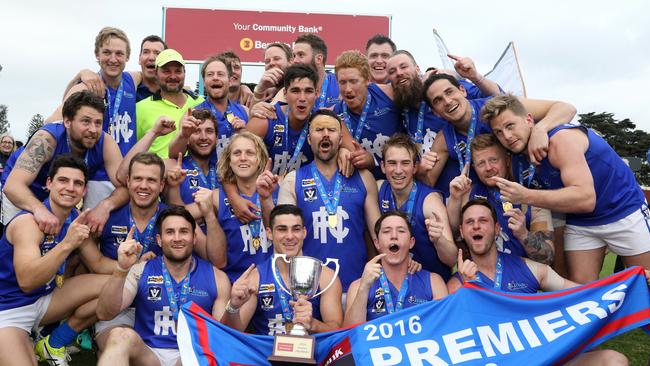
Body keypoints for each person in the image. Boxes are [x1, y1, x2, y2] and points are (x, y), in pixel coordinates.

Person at [482, 94, 650, 284]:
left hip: (623, 211)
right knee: (579, 293)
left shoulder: (561, 140)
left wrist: (526, 196)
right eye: (499, 132)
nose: (507, 136)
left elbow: (586, 199)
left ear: (529, 119)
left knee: (646, 283)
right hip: (581, 221)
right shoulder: (518, 156)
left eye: (510, 126)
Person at [449, 198, 633, 366]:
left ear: (497, 229)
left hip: (542, 357)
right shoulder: (456, 285)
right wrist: (470, 292)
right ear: (462, 232)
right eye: (469, 222)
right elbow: (452, 343)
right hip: (492, 362)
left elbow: (583, 294)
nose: (476, 226)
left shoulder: (528, 268)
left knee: (614, 361)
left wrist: (630, 282)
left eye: (483, 221)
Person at [0, 155, 108, 366]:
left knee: (117, 285)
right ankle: (23, 339)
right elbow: (27, 281)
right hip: (9, 309)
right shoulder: (27, 223)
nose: (70, 187)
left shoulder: (73, 218)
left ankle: (54, 342)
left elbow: (99, 264)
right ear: (49, 184)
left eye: (78, 183)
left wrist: (133, 263)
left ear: (84, 190)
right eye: (63, 180)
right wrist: (67, 243)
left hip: (44, 302)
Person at [96, 206, 231, 366]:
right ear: (159, 240)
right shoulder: (141, 270)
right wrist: (121, 269)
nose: (177, 238)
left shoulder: (217, 277)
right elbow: (104, 313)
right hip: (149, 356)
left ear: (194, 238)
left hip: (191, 356)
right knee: (119, 335)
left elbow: (221, 337)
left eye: (183, 231)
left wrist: (234, 307)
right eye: (169, 232)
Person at [268, 110, 381, 294]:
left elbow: (378, 234)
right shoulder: (293, 180)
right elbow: (282, 236)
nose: (326, 134)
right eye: (319, 129)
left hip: (357, 287)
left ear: (341, 137)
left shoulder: (364, 178)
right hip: (310, 289)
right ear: (309, 139)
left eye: (332, 130)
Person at [421, 73, 577, 197]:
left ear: (462, 90)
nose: (447, 101)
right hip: (487, 202)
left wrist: (540, 129)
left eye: (449, 92)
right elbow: (427, 183)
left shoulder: (495, 108)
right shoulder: (443, 139)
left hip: (534, 191)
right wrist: (421, 169)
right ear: (435, 112)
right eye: (438, 100)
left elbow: (566, 108)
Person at [3, 91, 125, 235]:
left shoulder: (105, 142)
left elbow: (125, 186)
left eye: (98, 123)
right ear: (67, 121)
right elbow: (12, 186)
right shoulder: (46, 139)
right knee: (24, 238)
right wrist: (39, 209)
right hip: (25, 192)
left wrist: (105, 206)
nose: (93, 130)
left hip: (61, 194)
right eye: (86, 121)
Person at [387, 51, 501, 197]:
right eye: (392, 71)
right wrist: (419, 170)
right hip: (448, 196)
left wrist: (475, 76)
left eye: (403, 67)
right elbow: (427, 179)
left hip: (485, 188)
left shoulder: (442, 87)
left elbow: (500, 100)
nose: (399, 73)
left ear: (417, 69)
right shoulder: (401, 107)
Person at [224, 204, 343, 335]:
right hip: (265, 354)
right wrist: (233, 307)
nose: (290, 236)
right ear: (269, 233)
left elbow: (337, 332)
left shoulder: (325, 276)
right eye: (282, 229)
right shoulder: (255, 278)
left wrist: (313, 324)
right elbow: (229, 334)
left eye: (296, 229)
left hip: (313, 352)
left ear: (304, 232)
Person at [180, 132, 275, 283]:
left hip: (273, 282)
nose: (243, 157)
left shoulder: (278, 189)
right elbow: (179, 215)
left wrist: (266, 199)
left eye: (250, 153)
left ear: (260, 159)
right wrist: (205, 243)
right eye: (237, 153)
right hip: (233, 283)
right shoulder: (217, 197)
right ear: (229, 161)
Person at [446, 133, 555, 264]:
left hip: (521, 278)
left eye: (493, 160)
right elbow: (451, 235)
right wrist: (454, 198)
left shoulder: (533, 198)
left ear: (507, 160)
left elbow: (548, 257)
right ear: (474, 168)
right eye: (481, 163)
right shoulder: (467, 194)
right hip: (481, 277)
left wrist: (523, 234)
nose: (488, 168)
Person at [344, 211, 448, 326]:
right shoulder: (358, 286)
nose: (394, 236)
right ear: (377, 243)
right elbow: (350, 335)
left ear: (411, 242)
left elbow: (445, 327)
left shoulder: (434, 282)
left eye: (401, 231)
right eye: (387, 231)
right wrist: (364, 288)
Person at [377, 134, 456, 279]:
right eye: (392, 163)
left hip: (429, 287)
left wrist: (440, 241)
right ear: (383, 166)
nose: (398, 170)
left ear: (415, 167)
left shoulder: (430, 202)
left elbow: (452, 259)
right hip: (393, 284)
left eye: (405, 163)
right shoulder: (378, 189)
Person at [334, 50, 403, 179]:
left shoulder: (388, 94)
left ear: (367, 80)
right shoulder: (334, 114)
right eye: (342, 82)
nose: (348, 89)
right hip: (360, 184)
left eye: (354, 81)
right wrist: (341, 150)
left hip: (395, 179)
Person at [170, 55, 248, 159]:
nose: (215, 77)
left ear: (229, 81)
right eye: (210, 74)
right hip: (204, 174)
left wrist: (246, 133)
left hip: (236, 174)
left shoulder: (245, 112)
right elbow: (174, 156)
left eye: (220, 74)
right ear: (204, 82)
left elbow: (255, 152)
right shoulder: (192, 114)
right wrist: (183, 135)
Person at [246, 64, 317, 176]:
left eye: (308, 91)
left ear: (316, 94)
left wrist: (343, 151)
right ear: (285, 94)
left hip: (302, 193)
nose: (302, 98)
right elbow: (233, 164)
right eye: (295, 91)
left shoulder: (322, 123)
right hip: (265, 191)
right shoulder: (265, 120)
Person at [136, 49, 204, 158]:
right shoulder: (140, 108)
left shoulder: (201, 103)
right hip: (157, 173)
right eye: (166, 71)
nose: (173, 76)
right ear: (156, 74)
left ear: (184, 73)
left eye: (178, 71)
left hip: (195, 174)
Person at [291, 33, 340, 111]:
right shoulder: (290, 86)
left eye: (301, 55)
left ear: (319, 59)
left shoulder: (340, 83)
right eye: (294, 56)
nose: (295, 61)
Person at [136, 35, 167, 102]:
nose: (151, 58)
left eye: (157, 53)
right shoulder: (129, 92)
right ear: (139, 59)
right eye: (146, 52)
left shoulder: (175, 94)